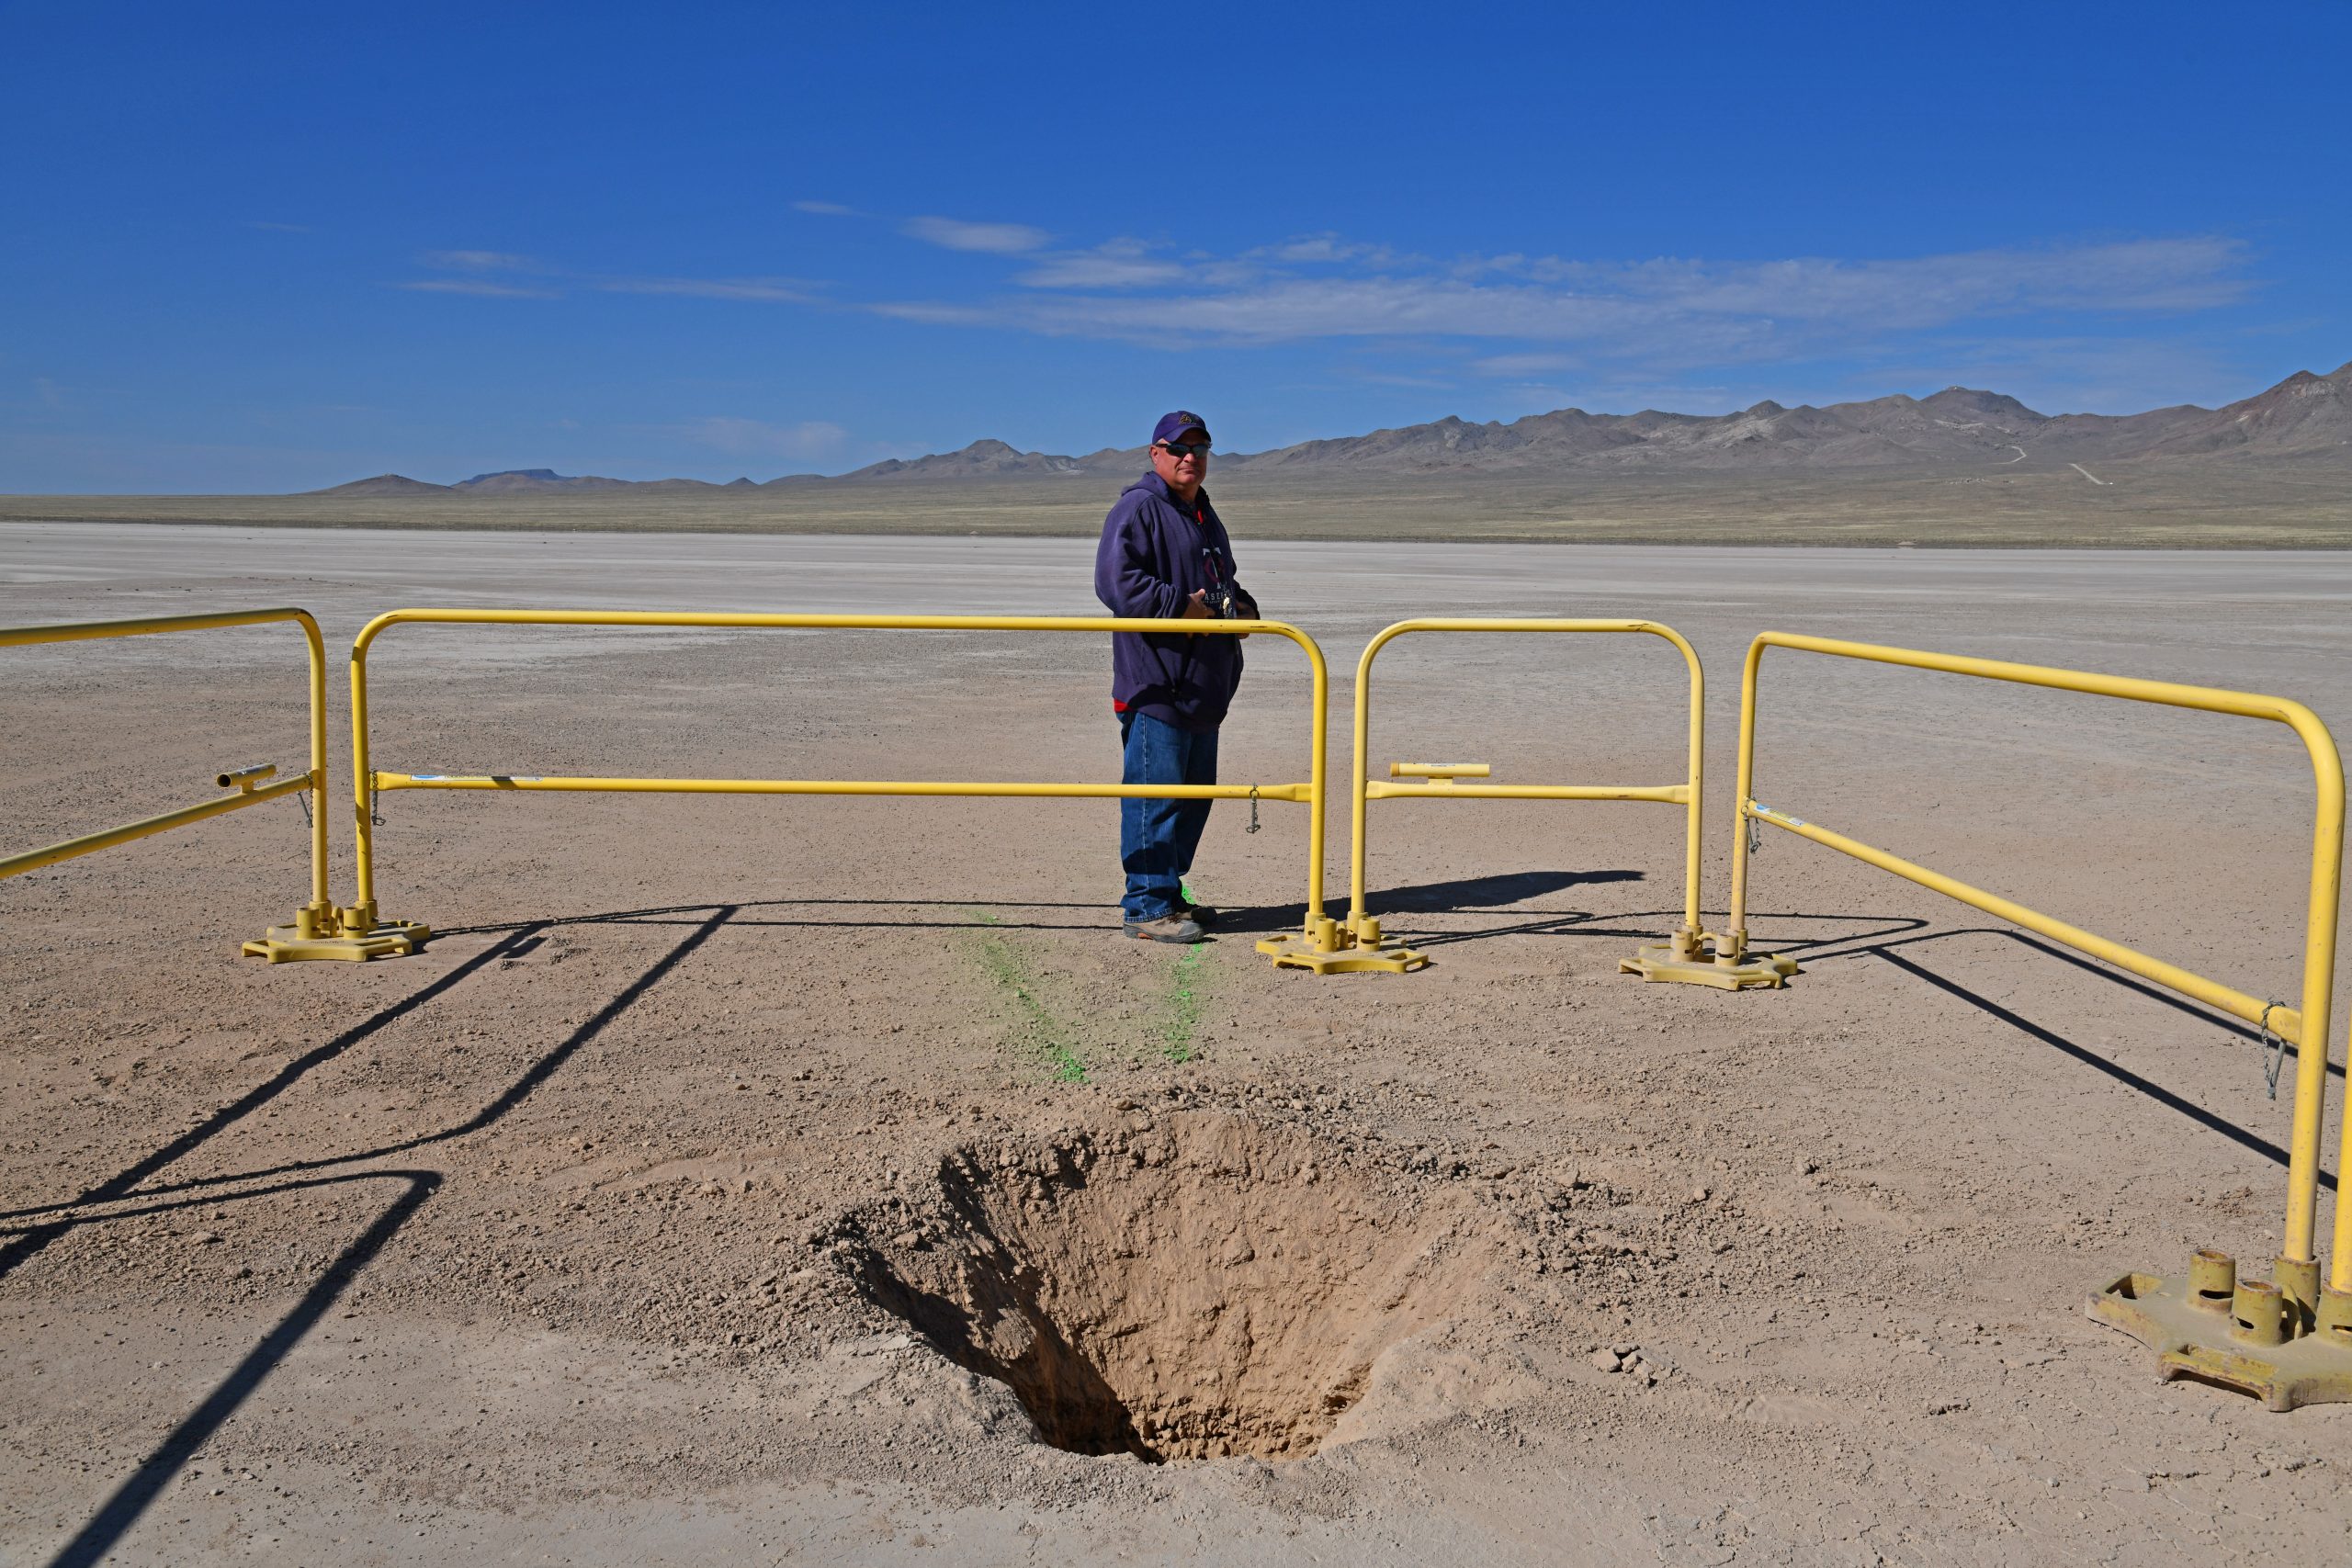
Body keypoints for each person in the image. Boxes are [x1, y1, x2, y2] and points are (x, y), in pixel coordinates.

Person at [1093, 411, 1258, 943]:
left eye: (1200, 448)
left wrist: (1244, 610)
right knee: (1156, 798)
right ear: (1155, 453)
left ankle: (1167, 891)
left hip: (1203, 686)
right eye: (1179, 448)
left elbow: (1220, 582)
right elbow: (1117, 584)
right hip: (1158, 683)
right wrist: (1182, 608)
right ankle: (1146, 905)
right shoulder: (1139, 508)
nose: (1191, 457)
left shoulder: (1203, 514)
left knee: (1192, 800)